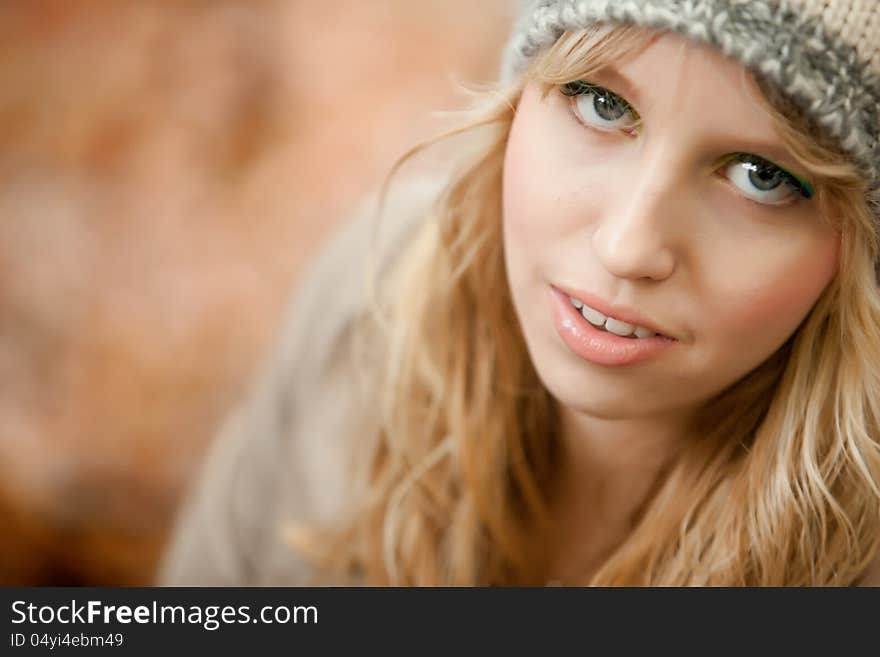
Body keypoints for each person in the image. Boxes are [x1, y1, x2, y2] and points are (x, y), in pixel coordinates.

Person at [158, 0, 880, 586]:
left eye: (760, 175)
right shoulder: (370, 288)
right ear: (517, 102)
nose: (627, 246)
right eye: (599, 103)